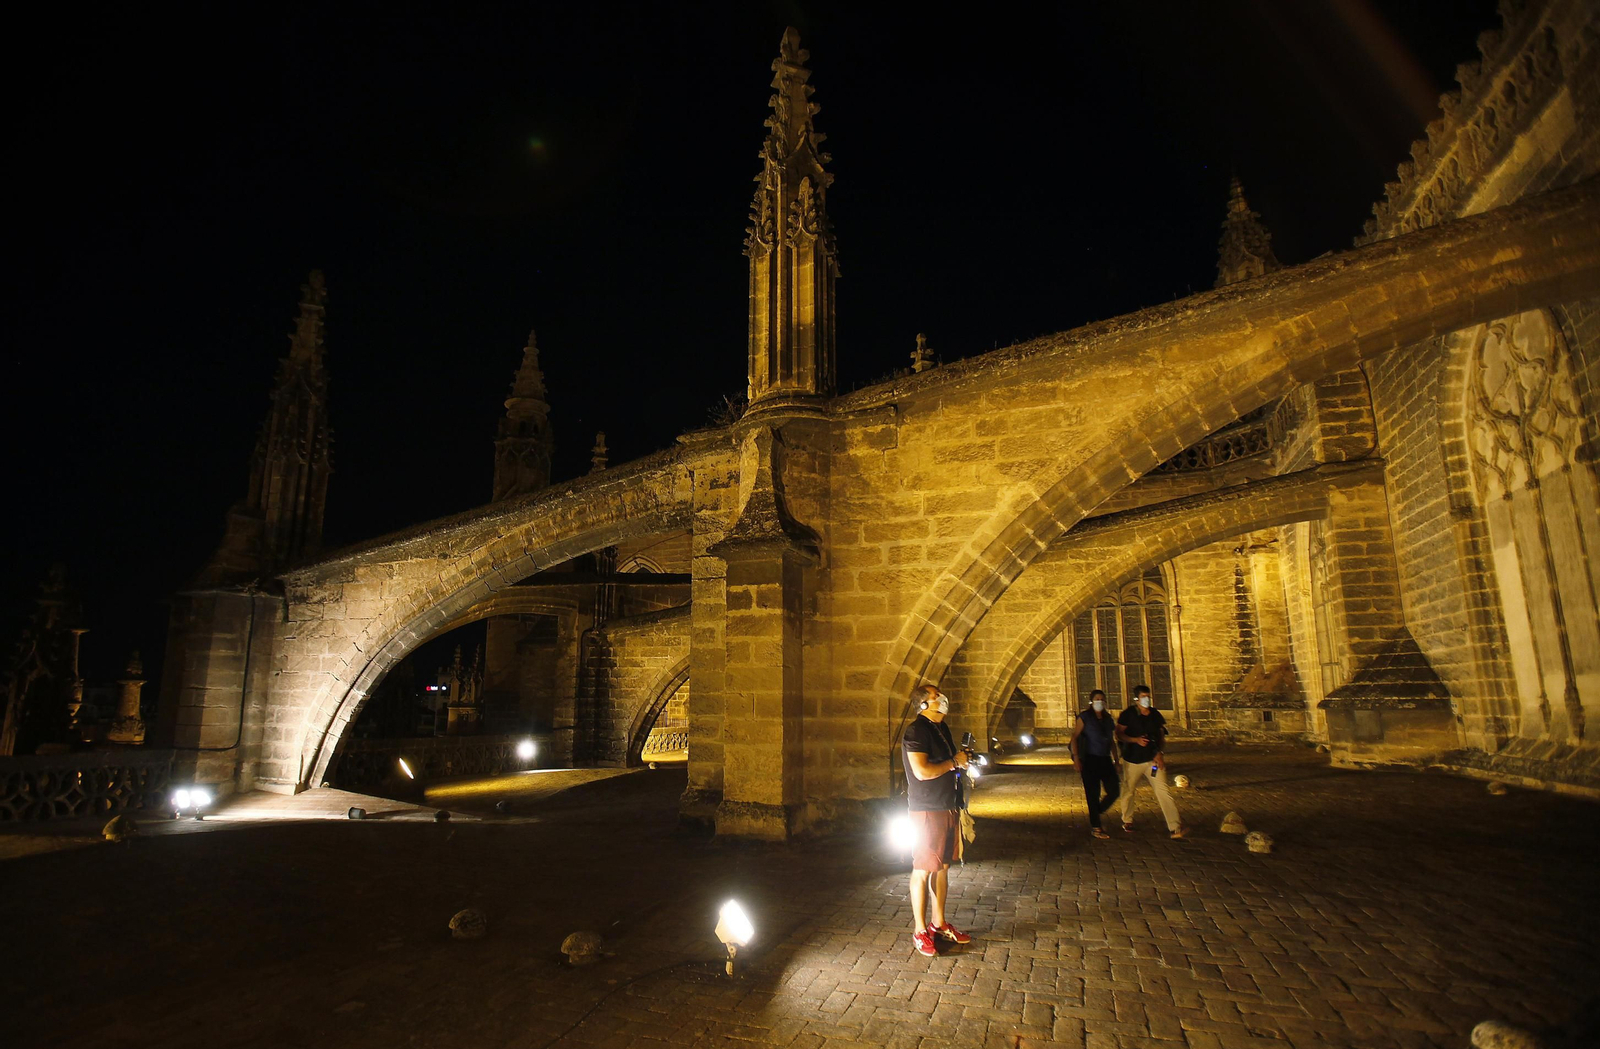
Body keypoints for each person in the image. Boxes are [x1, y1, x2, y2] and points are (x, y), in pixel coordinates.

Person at [901, 683, 974, 957]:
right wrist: (954, 763)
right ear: (923, 705)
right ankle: (920, 930)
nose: (942, 699)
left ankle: (939, 923)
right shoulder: (916, 731)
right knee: (922, 869)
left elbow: (950, 761)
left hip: (947, 806)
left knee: (942, 867)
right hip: (927, 809)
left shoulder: (941, 729)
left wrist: (960, 762)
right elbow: (921, 771)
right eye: (935, 696)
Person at [1116, 684, 1186, 839]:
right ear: (1136, 699)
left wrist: (1160, 753)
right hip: (1133, 760)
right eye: (1143, 697)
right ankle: (1127, 820)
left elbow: (1161, 735)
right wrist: (1134, 740)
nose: (1146, 699)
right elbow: (1119, 734)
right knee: (1128, 790)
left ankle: (1175, 826)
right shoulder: (1128, 714)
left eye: (1148, 696)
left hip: (1152, 761)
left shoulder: (1155, 714)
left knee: (1163, 791)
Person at [1068, 688, 1120, 839]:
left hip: (1105, 759)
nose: (1100, 702)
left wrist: (1116, 760)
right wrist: (1076, 758)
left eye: (1102, 699)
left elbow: (1111, 741)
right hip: (1089, 759)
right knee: (1093, 793)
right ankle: (1096, 827)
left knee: (1114, 790)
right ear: (1091, 701)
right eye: (1097, 699)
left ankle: (1096, 811)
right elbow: (1075, 737)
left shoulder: (1107, 719)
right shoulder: (1085, 717)